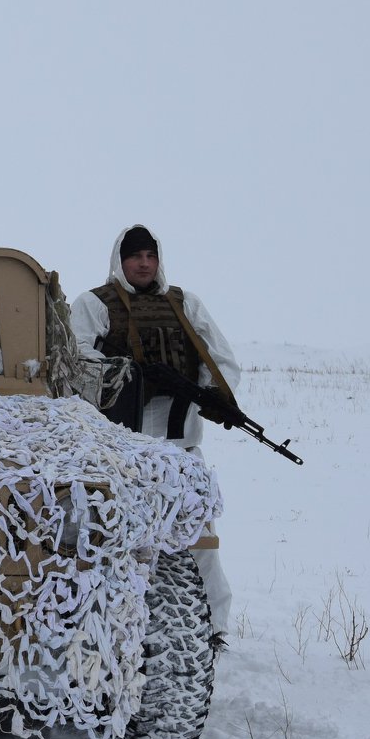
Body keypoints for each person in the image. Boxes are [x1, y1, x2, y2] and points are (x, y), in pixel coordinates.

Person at [71, 223, 241, 635]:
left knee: (200, 547)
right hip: (115, 454)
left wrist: (212, 395)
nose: (144, 263)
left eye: (150, 256)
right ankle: (98, 631)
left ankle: (210, 633)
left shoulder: (185, 305)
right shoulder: (94, 304)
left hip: (180, 450)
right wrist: (130, 377)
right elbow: (77, 360)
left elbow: (220, 361)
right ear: (120, 261)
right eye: (135, 256)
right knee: (106, 546)